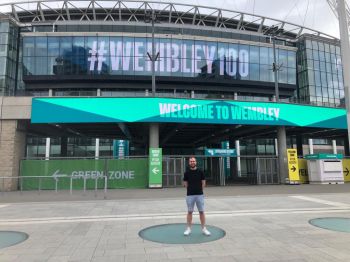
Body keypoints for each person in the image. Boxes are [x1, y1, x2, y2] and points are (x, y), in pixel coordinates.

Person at [183, 156, 211, 236]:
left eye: (193, 161)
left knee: (201, 212)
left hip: (199, 194)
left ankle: (204, 229)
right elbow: (185, 184)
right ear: (189, 163)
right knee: (189, 212)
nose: (192, 162)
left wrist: (199, 190)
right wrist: (191, 190)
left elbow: (203, 183)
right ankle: (188, 229)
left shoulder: (200, 172)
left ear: (196, 162)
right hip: (190, 195)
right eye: (191, 161)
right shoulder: (186, 173)